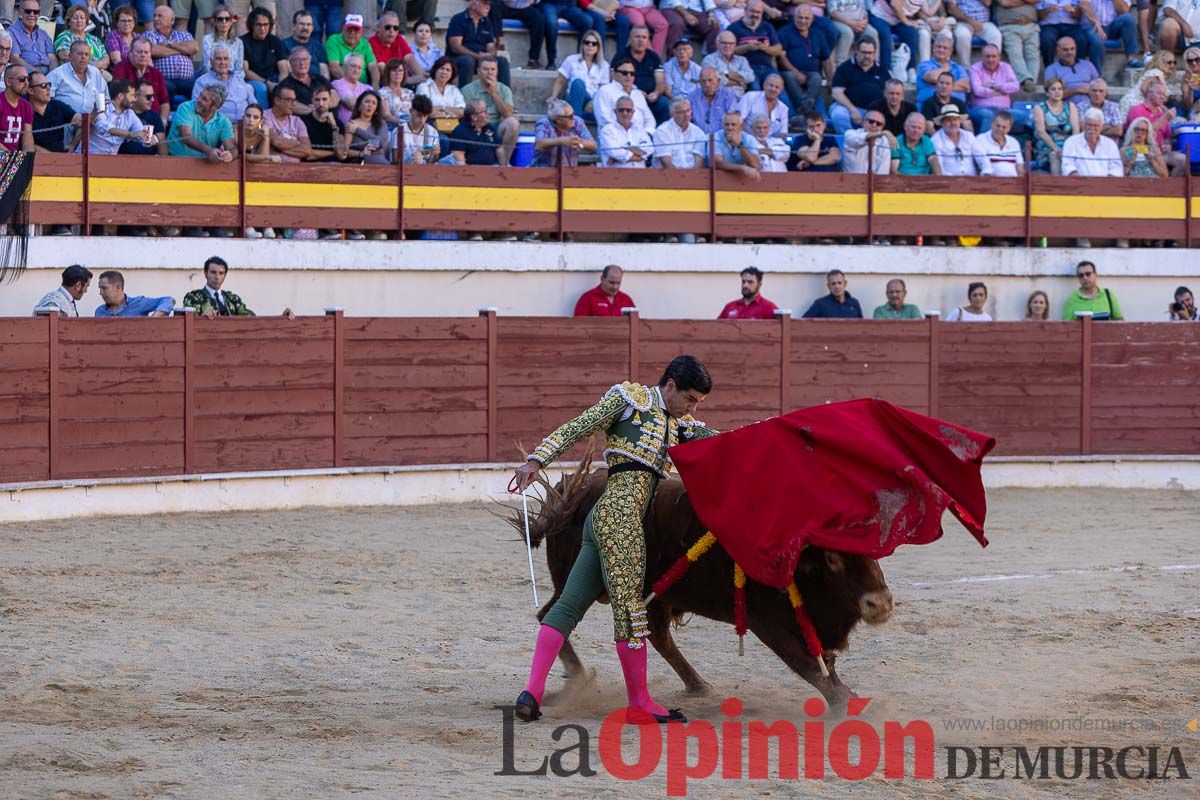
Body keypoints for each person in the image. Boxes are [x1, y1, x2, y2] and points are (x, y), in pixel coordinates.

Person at [511, 355, 716, 726]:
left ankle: (531, 693)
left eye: (697, 404)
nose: (691, 408)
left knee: (568, 606)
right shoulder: (629, 400)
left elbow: (724, 441)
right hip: (621, 520)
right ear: (669, 385)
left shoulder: (678, 425)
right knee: (631, 613)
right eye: (689, 399)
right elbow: (581, 425)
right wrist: (536, 460)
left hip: (598, 519)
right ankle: (640, 702)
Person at [183, 256, 294, 317]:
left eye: (221, 273)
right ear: (205, 273)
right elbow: (190, 324)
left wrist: (280, 318)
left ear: (225, 275)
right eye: (213, 272)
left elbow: (252, 320)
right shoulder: (193, 297)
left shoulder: (232, 298)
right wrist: (203, 317)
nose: (217, 277)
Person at [460, 54, 518, 165]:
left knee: (513, 123)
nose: (490, 72)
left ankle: (505, 162)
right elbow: (466, 116)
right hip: (476, 127)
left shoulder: (504, 89)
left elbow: (508, 114)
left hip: (497, 126)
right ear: (478, 71)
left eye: (493, 69)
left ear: (497, 71)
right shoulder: (468, 90)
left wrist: (494, 93)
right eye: (486, 69)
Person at [779, 5, 832, 116]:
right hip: (791, 72)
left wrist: (830, 80)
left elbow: (826, 59)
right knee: (789, 76)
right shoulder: (785, 32)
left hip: (812, 73)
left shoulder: (818, 35)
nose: (803, 21)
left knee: (817, 78)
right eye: (800, 17)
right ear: (794, 17)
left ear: (812, 19)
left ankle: (804, 109)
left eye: (806, 18)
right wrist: (796, 73)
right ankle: (807, 109)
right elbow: (781, 57)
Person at [1125, 81, 1188, 174]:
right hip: (1139, 151)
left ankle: (1171, 187)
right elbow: (1143, 132)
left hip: (1159, 154)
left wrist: (1167, 145)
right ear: (1149, 94)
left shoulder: (1162, 113)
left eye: (1164, 94)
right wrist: (1165, 118)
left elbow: (1167, 137)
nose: (1162, 97)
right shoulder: (1137, 110)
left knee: (1183, 160)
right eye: (1159, 93)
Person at [446, 0, 511, 88]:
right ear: (474, 4)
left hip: (480, 59)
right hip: (458, 58)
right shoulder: (458, 19)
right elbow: (456, 47)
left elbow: (490, 46)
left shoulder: (486, 21)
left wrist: (489, 55)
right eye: (485, 3)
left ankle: (506, 98)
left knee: (502, 61)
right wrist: (477, 56)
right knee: (468, 61)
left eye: (489, 4)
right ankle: (465, 96)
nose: (488, 7)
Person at [549, 30, 610, 119]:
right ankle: (577, 121)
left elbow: (603, 90)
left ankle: (574, 121)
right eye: (587, 42)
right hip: (573, 96)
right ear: (582, 44)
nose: (590, 45)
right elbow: (560, 81)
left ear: (598, 46)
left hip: (591, 99)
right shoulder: (571, 60)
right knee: (578, 83)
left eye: (594, 43)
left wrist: (594, 102)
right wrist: (554, 96)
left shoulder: (604, 65)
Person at [614, 25, 669, 123]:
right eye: (637, 37)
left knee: (664, 103)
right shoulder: (620, 56)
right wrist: (636, 91)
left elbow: (661, 82)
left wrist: (656, 93)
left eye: (644, 37)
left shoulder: (653, 57)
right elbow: (614, 78)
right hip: (629, 96)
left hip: (651, 98)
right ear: (630, 39)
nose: (641, 40)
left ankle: (660, 135)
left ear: (648, 40)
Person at [144, 6, 198, 102]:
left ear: (172, 20)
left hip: (187, 80)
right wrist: (183, 50)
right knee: (166, 87)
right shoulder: (149, 35)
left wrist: (169, 44)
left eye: (160, 16)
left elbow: (194, 48)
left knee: (199, 88)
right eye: (154, 16)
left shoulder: (184, 35)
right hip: (164, 80)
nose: (156, 19)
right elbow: (153, 50)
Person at [169, 84, 237, 160]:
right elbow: (186, 137)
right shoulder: (186, 108)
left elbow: (231, 147)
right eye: (200, 95)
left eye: (204, 99)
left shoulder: (224, 121)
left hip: (206, 165)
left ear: (216, 106)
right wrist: (208, 150)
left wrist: (230, 155)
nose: (198, 100)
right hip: (176, 161)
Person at [89, 78, 156, 155]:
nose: (134, 99)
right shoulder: (102, 108)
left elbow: (140, 133)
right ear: (120, 96)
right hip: (89, 158)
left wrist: (148, 139)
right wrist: (131, 134)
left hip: (110, 161)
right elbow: (107, 129)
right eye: (132, 96)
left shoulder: (130, 113)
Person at [192, 43, 256, 121]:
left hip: (245, 125)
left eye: (225, 59)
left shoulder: (238, 79)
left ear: (229, 61)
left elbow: (253, 104)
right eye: (218, 59)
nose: (222, 62)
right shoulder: (202, 82)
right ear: (211, 62)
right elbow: (198, 108)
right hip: (219, 126)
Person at [113, 38, 171, 124]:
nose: (143, 55)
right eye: (139, 52)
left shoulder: (156, 74)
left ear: (150, 55)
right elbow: (119, 98)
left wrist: (163, 120)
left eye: (146, 52)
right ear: (131, 53)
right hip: (128, 117)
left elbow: (164, 103)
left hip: (153, 119)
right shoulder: (121, 68)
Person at [242, 7, 290, 108]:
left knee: (287, 88)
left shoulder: (275, 41)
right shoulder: (243, 42)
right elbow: (246, 71)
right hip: (254, 80)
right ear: (252, 25)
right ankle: (264, 118)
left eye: (266, 25)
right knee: (261, 88)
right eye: (258, 25)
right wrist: (266, 82)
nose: (262, 28)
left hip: (274, 78)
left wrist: (280, 86)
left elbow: (284, 69)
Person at [727, 0, 783, 86]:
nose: (755, 15)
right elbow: (728, 51)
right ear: (745, 10)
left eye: (758, 12)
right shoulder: (734, 27)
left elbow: (778, 49)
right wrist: (747, 47)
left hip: (767, 68)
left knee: (780, 93)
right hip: (746, 69)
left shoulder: (767, 27)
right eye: (752, 11)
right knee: (755, 88)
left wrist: (766, 48)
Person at [594, 57, 657, 130]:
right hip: (614, 137)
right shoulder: (604, 91)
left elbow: (650, 120)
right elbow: (604, 120)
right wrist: (626, 134)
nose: (628, 76)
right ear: (613, 74)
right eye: (624, 73)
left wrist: (647, 133)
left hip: (641, 137)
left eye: (632, 73)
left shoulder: (638, 94)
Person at [48, 40, 109, 115]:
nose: (83, 57)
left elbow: (103, 96)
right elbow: (46, 99)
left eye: (86, 54)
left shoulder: (95, 73)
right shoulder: (57, 74)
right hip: (66, 122)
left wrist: (100, 113)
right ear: (70, 56)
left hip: (94, 121)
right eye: (80, 54)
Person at [1032, 76, 1079, 173]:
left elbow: (1076, 131)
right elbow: (1041, 132)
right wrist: (1056, 148)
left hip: (1068, 145)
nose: (1057, 92)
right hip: (1047, 146)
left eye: (1060, 89)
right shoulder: (1039, 108)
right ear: (1047, 92)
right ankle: (1057, 185)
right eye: (1053, 89)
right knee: (1054, 155)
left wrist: (1070, 148)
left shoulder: (1070, 106)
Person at [968, 44, 1019, 132]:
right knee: (988, 115)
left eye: (993, 56)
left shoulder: (1006, 67)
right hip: (981, 109)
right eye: (987, 56)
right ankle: (983, 144)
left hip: (1004, 110)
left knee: (1026, 116)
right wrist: (1003, 91)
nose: (990, 60)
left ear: (999, 57)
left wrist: (995, 86)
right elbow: (977, 91)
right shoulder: (974, 69)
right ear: (982, 57)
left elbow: (1015, 86)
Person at [1037, 0, 1100, 71]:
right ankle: (1050, 70)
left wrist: (1072, 10)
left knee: (1081, 38)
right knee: (1047, 39)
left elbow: (1079, 15)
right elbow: (1037, 15)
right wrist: (1047, 10)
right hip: (1049, 25)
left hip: (1070, 25)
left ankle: (1078, 69)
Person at [1062, 106, 1123, 175]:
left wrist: (1107, 183)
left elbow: (1116, 168)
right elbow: (1067, 166)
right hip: (1078, 183)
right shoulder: (1071, 142)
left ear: (1101, 127)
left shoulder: (1110, 144)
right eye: (1089, 125)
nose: (1092, 129)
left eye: (1096, 126)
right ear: (1083, 125)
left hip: (1106, 184)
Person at [30, 72, 81, 153]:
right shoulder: (24, 109)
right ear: (30, 91)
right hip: (34, 160)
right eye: (43, 85)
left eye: (49, 84)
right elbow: (25, 145)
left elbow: (82, 121)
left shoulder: (57, 105)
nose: (48, 88)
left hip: (59, 159)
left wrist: (72, 145)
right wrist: (52, 157)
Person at [868, 0, 922, 76]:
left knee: (911, 32)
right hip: (880, 15)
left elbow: (923, 11)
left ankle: (910, 68)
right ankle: (886, 70)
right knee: (885, 34)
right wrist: (907, 22)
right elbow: (894, 4)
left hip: (898, 19)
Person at [995, 0, 1041, 90]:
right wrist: (1027, 2)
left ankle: (1032, 82)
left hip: (1031, 25)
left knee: (1033, 54)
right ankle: (1026, 80)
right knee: (1016, 54)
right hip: (1009, 26)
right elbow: (1005, 3)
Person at [599, 94, 655, 167]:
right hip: (616, 175)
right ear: (615, 112)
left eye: (628, 110)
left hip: (640, 174)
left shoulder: (640, 129)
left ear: (633, 112)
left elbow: (650, 148)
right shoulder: (607, 130)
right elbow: (614, 152)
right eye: (621, 110)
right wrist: (640, 156)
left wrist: (625, 149)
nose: (625, 113)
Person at [1081, 0, 1138, 69]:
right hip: (1092, 25)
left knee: (1129, 18)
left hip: (1111, 26)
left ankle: (1131, 59)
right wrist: (1096, 22)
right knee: (1095, 41)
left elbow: (1124, 10)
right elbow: (1084, 4)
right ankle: (1096, 75)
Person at [264, 83, 314, 161]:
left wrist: (279, 149)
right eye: (289, 100)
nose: (294, 104)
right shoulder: (265, 116)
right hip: (272, 168)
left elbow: (307, 150)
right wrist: (297, 143)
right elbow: (277, 142)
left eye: (294, 100)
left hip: (295, 170)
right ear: (277, 100)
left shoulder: (297, 121)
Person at [651, 97, 706, 167]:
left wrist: (692, 177)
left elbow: (699, 161)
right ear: (672, 114)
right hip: (667, 175)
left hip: (692, 175)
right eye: (681, 112)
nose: (686, 115)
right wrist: (678, 177)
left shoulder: (698, 132)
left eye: (688, 110)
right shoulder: (662, 131)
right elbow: (666, 162)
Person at [916, 36, 968, 109]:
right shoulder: (924, 65)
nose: (941, 50)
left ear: (950, 51)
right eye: (938, 47)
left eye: (945, 48)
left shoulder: (958, 67)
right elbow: (933, 77)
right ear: (933, 48)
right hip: (930, 107)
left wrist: (941, 86)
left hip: (955, 108)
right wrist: (945, 68)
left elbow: (966, 85)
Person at [1043, 36, 1099, 103]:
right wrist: (1077, 90)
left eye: (1072, 49)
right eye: (1065, 50)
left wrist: (1092, 90)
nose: (1069, 52)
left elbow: (1100, 86)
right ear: (1058, 51)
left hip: (1090, 107)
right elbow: (1053, 94)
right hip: (1065, 108)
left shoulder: (1088, 65)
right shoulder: (1051, 70)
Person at [54, 5, 110, 73]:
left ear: (86, 22)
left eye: (82, 18)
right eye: (75, 18)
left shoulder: (94, 39)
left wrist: (95, 66)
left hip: (97, 72)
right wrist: (92, 66)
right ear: (69, 21)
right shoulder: (64, 37)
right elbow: (66, 56)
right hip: (73, 74)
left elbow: (106, 59)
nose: (79, 20)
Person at [277, 48, 333, 115]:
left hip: (327, 118)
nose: (302, 63)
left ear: (309, 61)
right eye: (297, 60)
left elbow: (335, 95)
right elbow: (289, 104)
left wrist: (323, 107)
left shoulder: (320, 79)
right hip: (303, 122)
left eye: (305, 59)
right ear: (290, 63)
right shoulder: (285, 84)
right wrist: (313, 110)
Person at [701, 30, 755, 100]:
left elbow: (750, 77)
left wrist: (726, 74)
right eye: (724, 43)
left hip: (739, 99)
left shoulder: (742, 60)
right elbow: (714, 81)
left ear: (735, 45)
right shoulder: (709, 59)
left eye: (731, 43)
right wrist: (738, 82)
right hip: (718, 99)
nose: (728, 46)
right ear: (717, 44)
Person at [94, 271, 174, 317]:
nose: (100, 293)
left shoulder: (139, 303)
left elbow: (168, 300)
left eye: (104, 288)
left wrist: (153, 319)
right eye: (100, 288)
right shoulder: (99, 312)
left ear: (118, 287)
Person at [327, 13, 379, 83]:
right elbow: (334, 67)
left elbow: (373, 66)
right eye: (349, 29)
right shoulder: (334, 40)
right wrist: (353, 84)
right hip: (342, 84)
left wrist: (375, 85)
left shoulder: (365, 44)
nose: (352, 33)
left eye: (356, 30)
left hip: (363, 86)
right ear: (343, 28)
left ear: (361, 32)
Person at [946, 0, 1002, 66]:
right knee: (963, 36)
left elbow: (987, 3)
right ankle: (965, 68)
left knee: (996, 35)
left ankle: (995, 67)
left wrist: (975, 23)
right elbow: (952, 9)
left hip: (983, 23)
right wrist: (970, 21)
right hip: (963, 22)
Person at [303, 86, 350, 164]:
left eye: (324, 99)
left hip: (334, 167)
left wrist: (334, 126)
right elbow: (307, 154)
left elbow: (342, 154)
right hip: (311, 166)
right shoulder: (304, 121)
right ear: (312, 101)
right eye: (317, 100)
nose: (321, 104)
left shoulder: (338, 123)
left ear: (330, 101)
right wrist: (334, 153)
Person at [416, 56, 465, 129]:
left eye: (448, 70)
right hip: (429, 124)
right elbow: (425, 111)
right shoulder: (424, 87)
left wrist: (441, 109)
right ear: (435, 70)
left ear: (452, 74)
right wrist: (451, 112)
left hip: (452, 125)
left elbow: (462, 112)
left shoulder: (454, 90)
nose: (444, 72)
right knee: (444, 139)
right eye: (442, 68)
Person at [826, 0, 880, 66]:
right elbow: (832, 12)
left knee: (872, 32)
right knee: (847, 33)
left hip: (859, 22)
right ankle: (840, 65)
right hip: (839, 21)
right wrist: (851, 23)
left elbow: (863, 9)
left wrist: (864, 22)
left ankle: (874, 65)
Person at [449, 98, 501, 165]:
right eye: (484, 111)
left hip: (492, 168)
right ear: (474, 117)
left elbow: (499, 149)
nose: (488, 113)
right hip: (470, 171)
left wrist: (504, 167)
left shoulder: (489, 128)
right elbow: (458, 156)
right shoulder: (460, 131)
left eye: (487, 109)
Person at [842, 108, 895, 173]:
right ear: (863, 122)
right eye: (871, 121)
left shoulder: (884, 141)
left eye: (878, 124)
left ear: (882, 127)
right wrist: (881, 133)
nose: (874, 125)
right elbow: (860, 139)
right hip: (849, 180)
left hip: (873, 182)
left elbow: (883, 171)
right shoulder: (850, 133)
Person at [973, 109, 1025, 175]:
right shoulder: (981, 140)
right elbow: (985, 167)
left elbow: (1020, 167)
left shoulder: (1014, 142)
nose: (1000, 129)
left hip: (1013, 182)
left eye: (1004, 127)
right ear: (992, 124)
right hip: (991, 182)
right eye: (998, 126)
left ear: (1009, 128)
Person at [11, 1, 57, 75]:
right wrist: (37, 74)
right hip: (26, 73)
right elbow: (15, 58)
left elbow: (52, 57)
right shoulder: (12, 32)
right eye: (28, 11)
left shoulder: (43, 33)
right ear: (21, 11)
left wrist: (53, 75)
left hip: (48, 72)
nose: (32, 15)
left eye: (36, 12)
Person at [688, 65, 737, 134]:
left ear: (718, 81)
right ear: (700, 83)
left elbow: (732, 118)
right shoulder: (692, 97)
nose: (707, 84)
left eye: (710, 80)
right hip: (698, 138)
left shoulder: (728, 95)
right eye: (703, 81)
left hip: (722, 138)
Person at [713, 109, 759, 179]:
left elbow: (754, 164)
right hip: (719, 179)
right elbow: (717, 163)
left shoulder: (750, 139)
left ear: (741, 126)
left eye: (733, 124)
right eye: (727, 124)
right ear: (723, 125)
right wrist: (741, 168)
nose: (730, 128)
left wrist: (740, 145)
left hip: (743, 181)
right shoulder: (716, 137)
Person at [737, 72, 787, 136]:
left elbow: (783, 133)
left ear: (781, 91)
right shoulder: (750, 97)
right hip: (747, 140)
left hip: (771, 143)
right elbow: (737, 121)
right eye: (771, 85)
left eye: (777, 87)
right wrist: (749, 140)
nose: (773, 89)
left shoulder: (784, 108)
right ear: (764, 86)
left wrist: (775, 144)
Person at [931, 105, 977, 174]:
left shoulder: (969, 136)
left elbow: (981, 157)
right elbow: (939, 167)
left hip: (972, 180)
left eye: (955, 119)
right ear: (942, 123)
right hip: (948, 181)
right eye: (948, 120)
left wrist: (985, 172)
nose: (953, 123)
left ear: (959, 121)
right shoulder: (935, 140)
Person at [202, 5, 246, 75]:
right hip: (212, 78)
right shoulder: (207, 40)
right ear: (215, 21)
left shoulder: (238, 42)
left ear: (231, 22)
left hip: (232, 79)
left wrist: (234, 82)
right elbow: (207, 67)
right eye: (220, 19)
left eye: (227, 19)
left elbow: (239, 69)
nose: (224, 22)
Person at [397, 92, 440, 162]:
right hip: (405, 169)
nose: (422, 120)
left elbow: (432, 162)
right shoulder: (399, 131)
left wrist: (435, 154)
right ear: (411, 111)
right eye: (419, 115)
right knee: (417, 156)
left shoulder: (433, 132)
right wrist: (415, 154)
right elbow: (395, 160)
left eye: (425, 116)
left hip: (425, 169)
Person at [0, 65, 34, 152]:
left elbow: (27, 141)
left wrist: (27, 160)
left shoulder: (27, 106)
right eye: (22, 79)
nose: (27, 83)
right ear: (8, 82)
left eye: (28, 79)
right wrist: (12, 159)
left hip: (14, 158)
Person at [333, 52, 370, 124]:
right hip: (346, 128)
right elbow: (351, 104)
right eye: (353, 66)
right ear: (344, 67)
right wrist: (368, 108)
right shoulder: (337, 84)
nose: (356, 70)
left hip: (366, 129)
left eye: (359, 68)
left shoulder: (368, 88)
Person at [378, 58, 414, 126]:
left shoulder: (410, 93)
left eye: (400, 70)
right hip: (392, 127)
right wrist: (402, 123)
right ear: (388, 73)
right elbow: (386, 115)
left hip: (411, 128)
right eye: (394, 70)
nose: (397, 73)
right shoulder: (382, 92)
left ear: (404, 73)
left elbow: (415, 112)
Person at [407, 19, 443, 84]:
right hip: (416, 84)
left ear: (430, 35)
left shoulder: (438, 52)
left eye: (427, 31)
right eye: (420, 31)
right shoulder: (408, 52)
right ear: (414, 34)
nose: (424, 33)